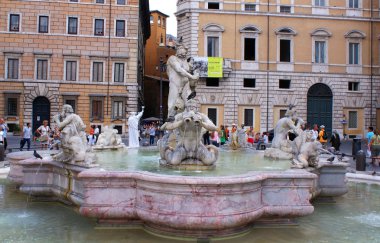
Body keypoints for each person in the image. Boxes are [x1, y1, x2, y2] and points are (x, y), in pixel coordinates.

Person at [166, 41, 199, 120]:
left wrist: (194, 75)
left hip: (186, 85)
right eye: (181, 49)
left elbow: (189, 70)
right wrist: (191, 76)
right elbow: (179, 69)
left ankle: (189, 121)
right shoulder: (172, 58)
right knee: (173, 104)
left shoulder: (185, 62)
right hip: (175, 84)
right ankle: (171, 124)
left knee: (189, 102)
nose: (183, 51)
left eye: (184, 50)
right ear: (177, 50)